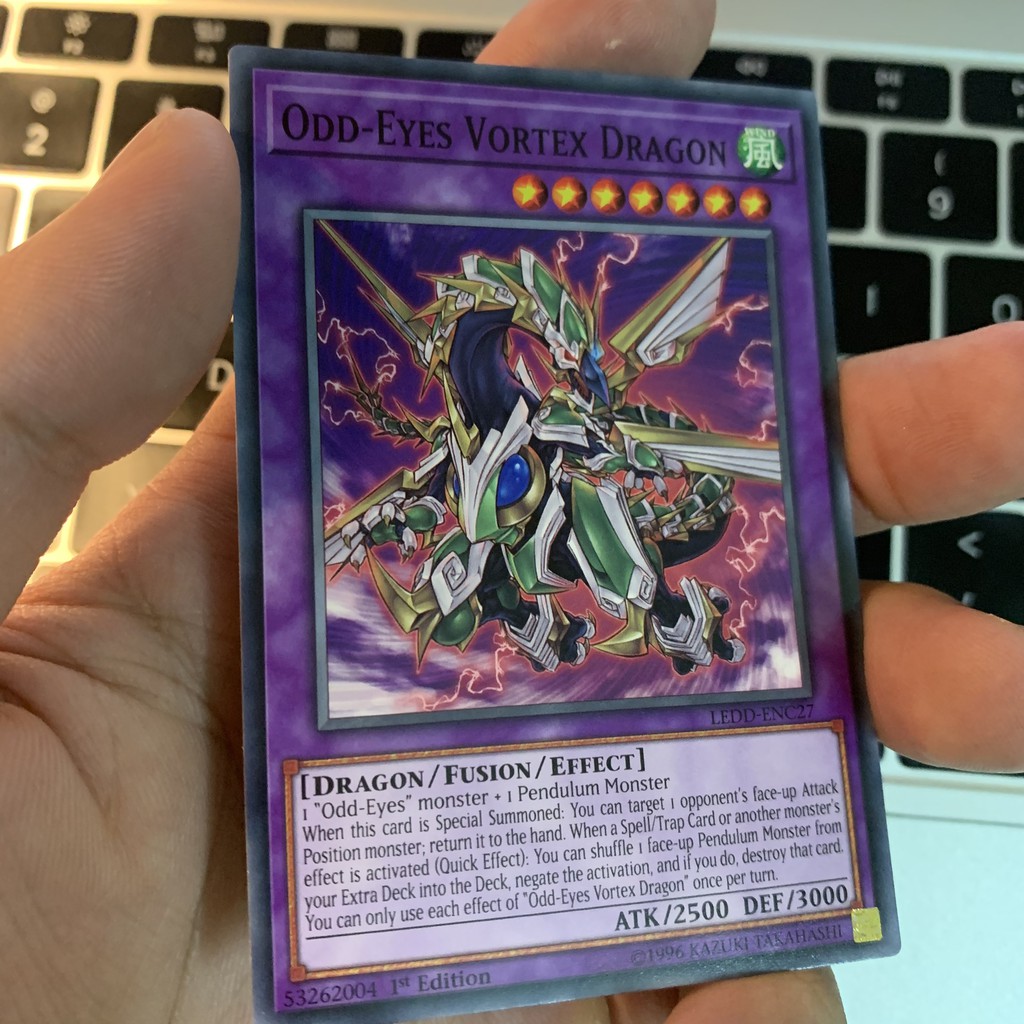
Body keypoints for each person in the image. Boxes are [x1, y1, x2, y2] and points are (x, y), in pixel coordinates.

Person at [1, 0, 1020, 1021]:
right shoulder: (482, 471)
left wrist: (602, 464)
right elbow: (440, 498)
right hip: (509, 536)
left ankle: (637, 595)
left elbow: (581, 462)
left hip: (559, 519)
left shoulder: (557, 453)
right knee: (482, 560)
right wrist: (373, 528)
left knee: (577, 528)